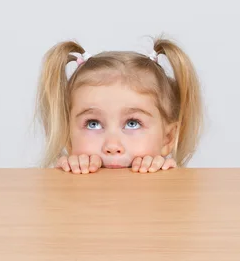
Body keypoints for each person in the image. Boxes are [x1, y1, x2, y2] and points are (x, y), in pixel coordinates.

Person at [35, 36, 203, 174]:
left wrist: (166, 178)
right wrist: (66, 178)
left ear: (168, 138)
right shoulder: (64, 177)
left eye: (132, 123)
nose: (112, 146)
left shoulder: (172, 182)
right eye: (93, 124)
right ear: (68, 137)